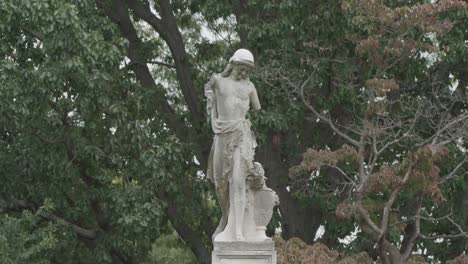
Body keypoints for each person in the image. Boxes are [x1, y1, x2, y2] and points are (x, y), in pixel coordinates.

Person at [205, 49, 261, 241]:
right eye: (243, 67)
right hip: (222, 136)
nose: (245, 72)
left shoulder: (250, 88)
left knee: (237, 181)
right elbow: (209, 91)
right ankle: (226, 217)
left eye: (248, 69)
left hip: (241, 135)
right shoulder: (219, 82)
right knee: (221, 185)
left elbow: (257, 107)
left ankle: (237, 230)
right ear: (234, 64)